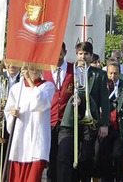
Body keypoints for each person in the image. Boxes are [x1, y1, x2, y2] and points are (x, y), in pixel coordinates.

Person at [57, 42, 110, 182]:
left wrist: (104, 124)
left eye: (86, 54)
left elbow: (105, 101)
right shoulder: (70, 72)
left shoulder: (99, 75)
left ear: (91, 56)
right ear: (76, 55)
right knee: (69, 154)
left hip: (90, 120)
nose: (83, 56)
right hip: (71, 119)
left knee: (86, 156)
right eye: (80, 54)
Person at [3, 64, 55, 182]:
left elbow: (40, 103)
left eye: (37, 67)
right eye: (31, 67)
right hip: (20, 140)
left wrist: (29, 80)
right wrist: (12, 113)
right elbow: (8, 111)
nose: (35, 70)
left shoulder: (48, 86)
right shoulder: (16, 88)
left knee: (33, 177)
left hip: (37, 141)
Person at [93, 61, 123, 182]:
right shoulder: (102, 86)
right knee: (105, 156)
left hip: (120, 127)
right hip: (105, 127)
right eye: (111, 73)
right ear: (107, 73)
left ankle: (119, 178)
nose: (113, 76)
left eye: (116, 73)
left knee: (118, 155)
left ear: (120, 74)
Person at [43, 43, 73, 182]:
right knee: (51, 158)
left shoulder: (73, 70)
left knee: (64, 157)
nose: (57, 55)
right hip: (48, 122)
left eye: (60, 52)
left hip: (66, 122)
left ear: (65, 52)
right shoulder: (44, 70)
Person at [0, 61, 21, 182]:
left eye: (14, 62)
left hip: (17, 124)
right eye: (9, 62)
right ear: (4, 62)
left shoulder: (24, 79)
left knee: (13, 160)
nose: (11, 65)